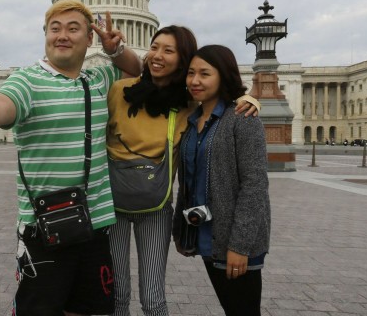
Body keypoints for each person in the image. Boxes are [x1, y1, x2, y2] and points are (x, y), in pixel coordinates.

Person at [0, 0, 142, 316]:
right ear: (46, 36)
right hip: (45, 229)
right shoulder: (27, 81)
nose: (62, 35)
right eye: (55, 29)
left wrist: (115, 50)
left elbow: (135, 68)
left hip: (94, 228)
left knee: (90, 310)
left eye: (72, 28)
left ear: (90, 38)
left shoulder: (97, 80)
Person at [106, 27, 259, 316]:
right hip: (112, 203)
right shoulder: (118, 91)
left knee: (153, 298)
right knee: (117, 295)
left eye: (169, 50)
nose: (157, 55)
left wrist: (249, 99)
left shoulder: (189, 104)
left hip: (156, 205)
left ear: (182, 60)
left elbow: (222, 105)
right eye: (154, 47)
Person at [173, 45, 271, 316]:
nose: (195, 80)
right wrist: (184, 231)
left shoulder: (242, 118)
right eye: (191, 73)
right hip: (208, 236)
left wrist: (240, 246)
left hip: (236, 239)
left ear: (223, 76)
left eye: (205, 73)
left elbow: (255, 185)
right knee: (231, 307)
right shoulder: (194, 120)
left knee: (243, 310)